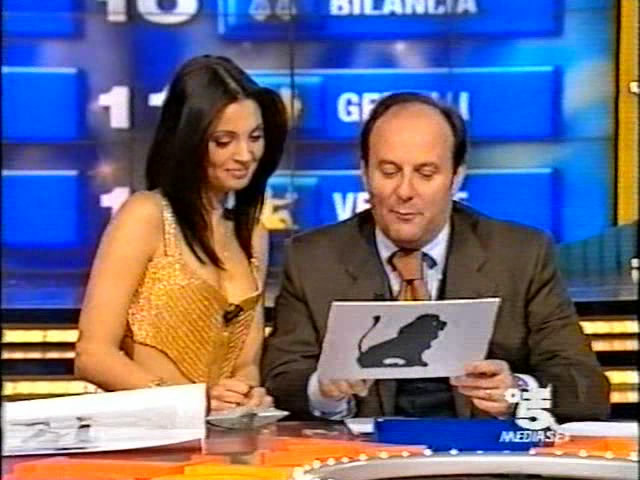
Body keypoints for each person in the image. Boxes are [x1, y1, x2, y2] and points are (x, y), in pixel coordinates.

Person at [262, 92, 610, 422]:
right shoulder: (313, 260)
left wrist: (517, 393)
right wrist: (324, 391)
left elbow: (587, 390)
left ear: (456, 177)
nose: (405, 191)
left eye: (425, 173)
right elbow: (280, 381)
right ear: (364, 173)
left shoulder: (520, 256)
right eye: (389, 171)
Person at [75, 55, 288, 411]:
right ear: (189, 141)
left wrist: (246, 394)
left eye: (255, 137)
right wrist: (188, 403)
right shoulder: (146, 216)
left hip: (224, 435)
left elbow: (245, 364)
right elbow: (93, 355)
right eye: (224, 141)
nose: (245, 154)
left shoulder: (252, 234)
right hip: (147, 431)